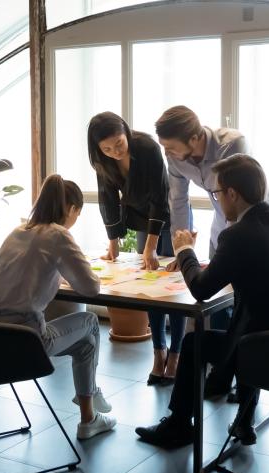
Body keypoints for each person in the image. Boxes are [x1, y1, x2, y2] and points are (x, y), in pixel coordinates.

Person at [135, 154, 269, 448]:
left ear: (232, 194)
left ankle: (179, 426)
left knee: (195, 344)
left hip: (266, 354)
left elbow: (200, 289)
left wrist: (184, 251)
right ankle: (244, 421)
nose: (217, 200)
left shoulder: (236, 235)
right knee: (252, 319)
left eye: (217, 193)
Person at [155, 105, 269, 397]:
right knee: (218, 302)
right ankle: (221, 373)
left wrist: (228, 243)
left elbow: (243, 195)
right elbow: (178, 200)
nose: (168, 153)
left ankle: (245, 372)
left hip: (257, 225)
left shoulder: (232, 144)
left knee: (245, 301)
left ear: (195, 137)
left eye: (171, 147)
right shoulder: (175, 157)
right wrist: (180, 247)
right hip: (221, 225)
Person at [0, 174, 116, 440]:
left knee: (85, 341)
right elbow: (91, 288)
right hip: (26, 344)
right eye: (77, 214)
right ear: (71, 209)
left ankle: (91, 404)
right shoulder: (58, 235)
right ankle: (89, 413)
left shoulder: (18, 230)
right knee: (90, 324)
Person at [87, 111, 188, 384]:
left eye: (119, 143)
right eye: (106, 148)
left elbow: (159, 197)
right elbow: (107, 199)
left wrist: (151, 247)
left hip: (170, 217)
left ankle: (176, 355)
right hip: (143, 221)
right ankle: (158, 353)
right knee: (150, 290)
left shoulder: (147, 148)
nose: (115, 151)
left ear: (126, 131)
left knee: (174, 289)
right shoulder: (103, 161)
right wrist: (113, 243)